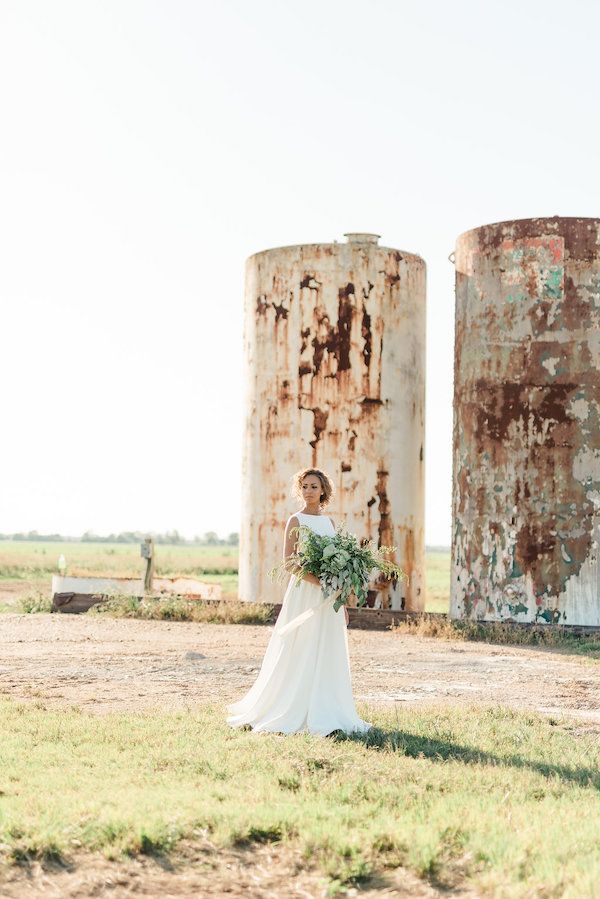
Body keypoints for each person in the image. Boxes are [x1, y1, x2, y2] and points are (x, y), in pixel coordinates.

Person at [226, 467, 372, 737]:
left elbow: (338, 568)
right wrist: (321, 582)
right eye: (304, 486)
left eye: (314, 486)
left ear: (323, 490)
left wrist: (341, 599)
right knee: (300, 645)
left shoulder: (329, 524)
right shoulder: (295, 521)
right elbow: (290, 562)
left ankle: (326, 707)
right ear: (299, 490)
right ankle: (291, 707)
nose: (308, 491)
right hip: (305, 592)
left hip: (329, 597)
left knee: (326, 647)